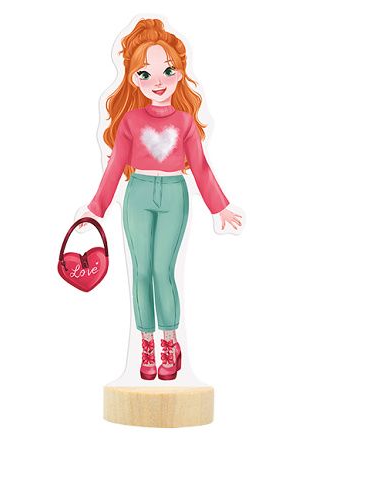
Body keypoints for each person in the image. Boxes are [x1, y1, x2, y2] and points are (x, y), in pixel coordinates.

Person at [77, 18, 242, 380]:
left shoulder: (185, 122)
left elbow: (200, 166)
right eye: (145, 74)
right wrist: (95, 208)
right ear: (134, 79)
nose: (157, 82)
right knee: (141, 270)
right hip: (137, 193)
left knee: (162, 271)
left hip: (173, 195)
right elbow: (116, 166)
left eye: (167, 71)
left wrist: (219, 206)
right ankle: (146, 346)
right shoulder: (130, 121)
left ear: (180, 74)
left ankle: (169, 341)